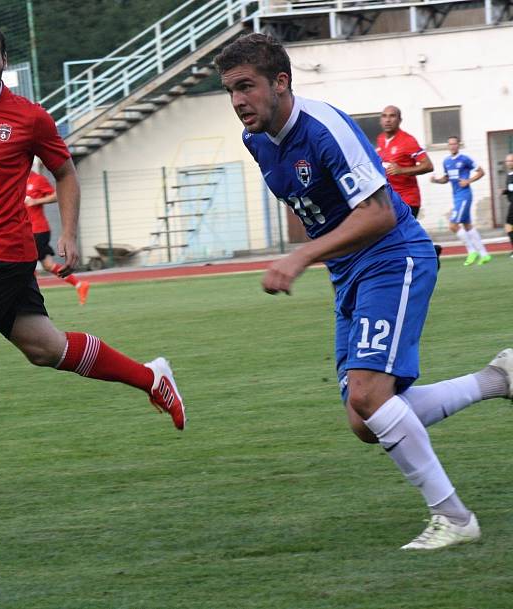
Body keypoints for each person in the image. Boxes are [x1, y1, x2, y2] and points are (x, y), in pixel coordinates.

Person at [215, 33, 512, 550]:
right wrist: (319, 252)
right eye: (230, 90)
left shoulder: (326, 127)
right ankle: (497, 378)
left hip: (391, 257)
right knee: (364, 419)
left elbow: (376, 212)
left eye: (247, 86)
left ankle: (455, 519)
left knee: (370, 396)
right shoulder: (256, 139)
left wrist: (302, 255)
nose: (238, 100)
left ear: (280, 83)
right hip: (349, 272)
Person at [0, 21, 185, 502]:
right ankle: (151, 377)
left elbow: (65, 173)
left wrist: (68, 232)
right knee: (45, 349)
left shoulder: (29, 118)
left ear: (4, 62)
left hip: (2, 253)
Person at [376, 106, 441, 266]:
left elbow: (428, 165)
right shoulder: (380, 140)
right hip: (389, 199)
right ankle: (430, 251)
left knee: (393, 237)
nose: (388, 119)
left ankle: (423, 258)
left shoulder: (408, 141)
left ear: (399, 120)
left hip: (408, 199)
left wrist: (402, 170)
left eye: (392, 116)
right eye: (384, 116)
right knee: (397, 238)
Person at [25, 168, 90, 304]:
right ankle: (79, 284)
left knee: (27, 265)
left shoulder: (38, 179)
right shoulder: (15, 179)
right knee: (48, 265)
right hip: (24, 230)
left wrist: (36, 201)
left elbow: (56, 195)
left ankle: (31, 300)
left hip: (38, 230)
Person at [430, 137, 490, 265]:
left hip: (464, 195)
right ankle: (484, 254)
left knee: (453, 225)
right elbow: (446, 179)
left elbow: (481, 172)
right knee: (467, 225)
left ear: (458, 145)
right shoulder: (446, 161)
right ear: (448, 146)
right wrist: (436, 180)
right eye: (450, 144)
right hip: (456, 196)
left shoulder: (465, 159)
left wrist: (468, 181)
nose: (452, 146)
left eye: (454, 144)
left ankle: (471, 251)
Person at [501, 152, 513, 257]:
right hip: (511, 204)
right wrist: (505, 191)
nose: (509, 163)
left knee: (509, 226)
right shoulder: (509, 175)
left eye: (511, 161)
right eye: (508, 161)